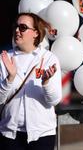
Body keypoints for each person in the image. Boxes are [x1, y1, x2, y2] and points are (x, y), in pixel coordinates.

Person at [0, 12, 62, 150]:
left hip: (42, 135)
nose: (17, 30)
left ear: (35, 33)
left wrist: (45, 82)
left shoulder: (49, 59)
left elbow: (54, 100)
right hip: (10, 135)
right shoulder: (4, 58)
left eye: (22, 27)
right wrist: (10, 78)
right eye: (15, 26)